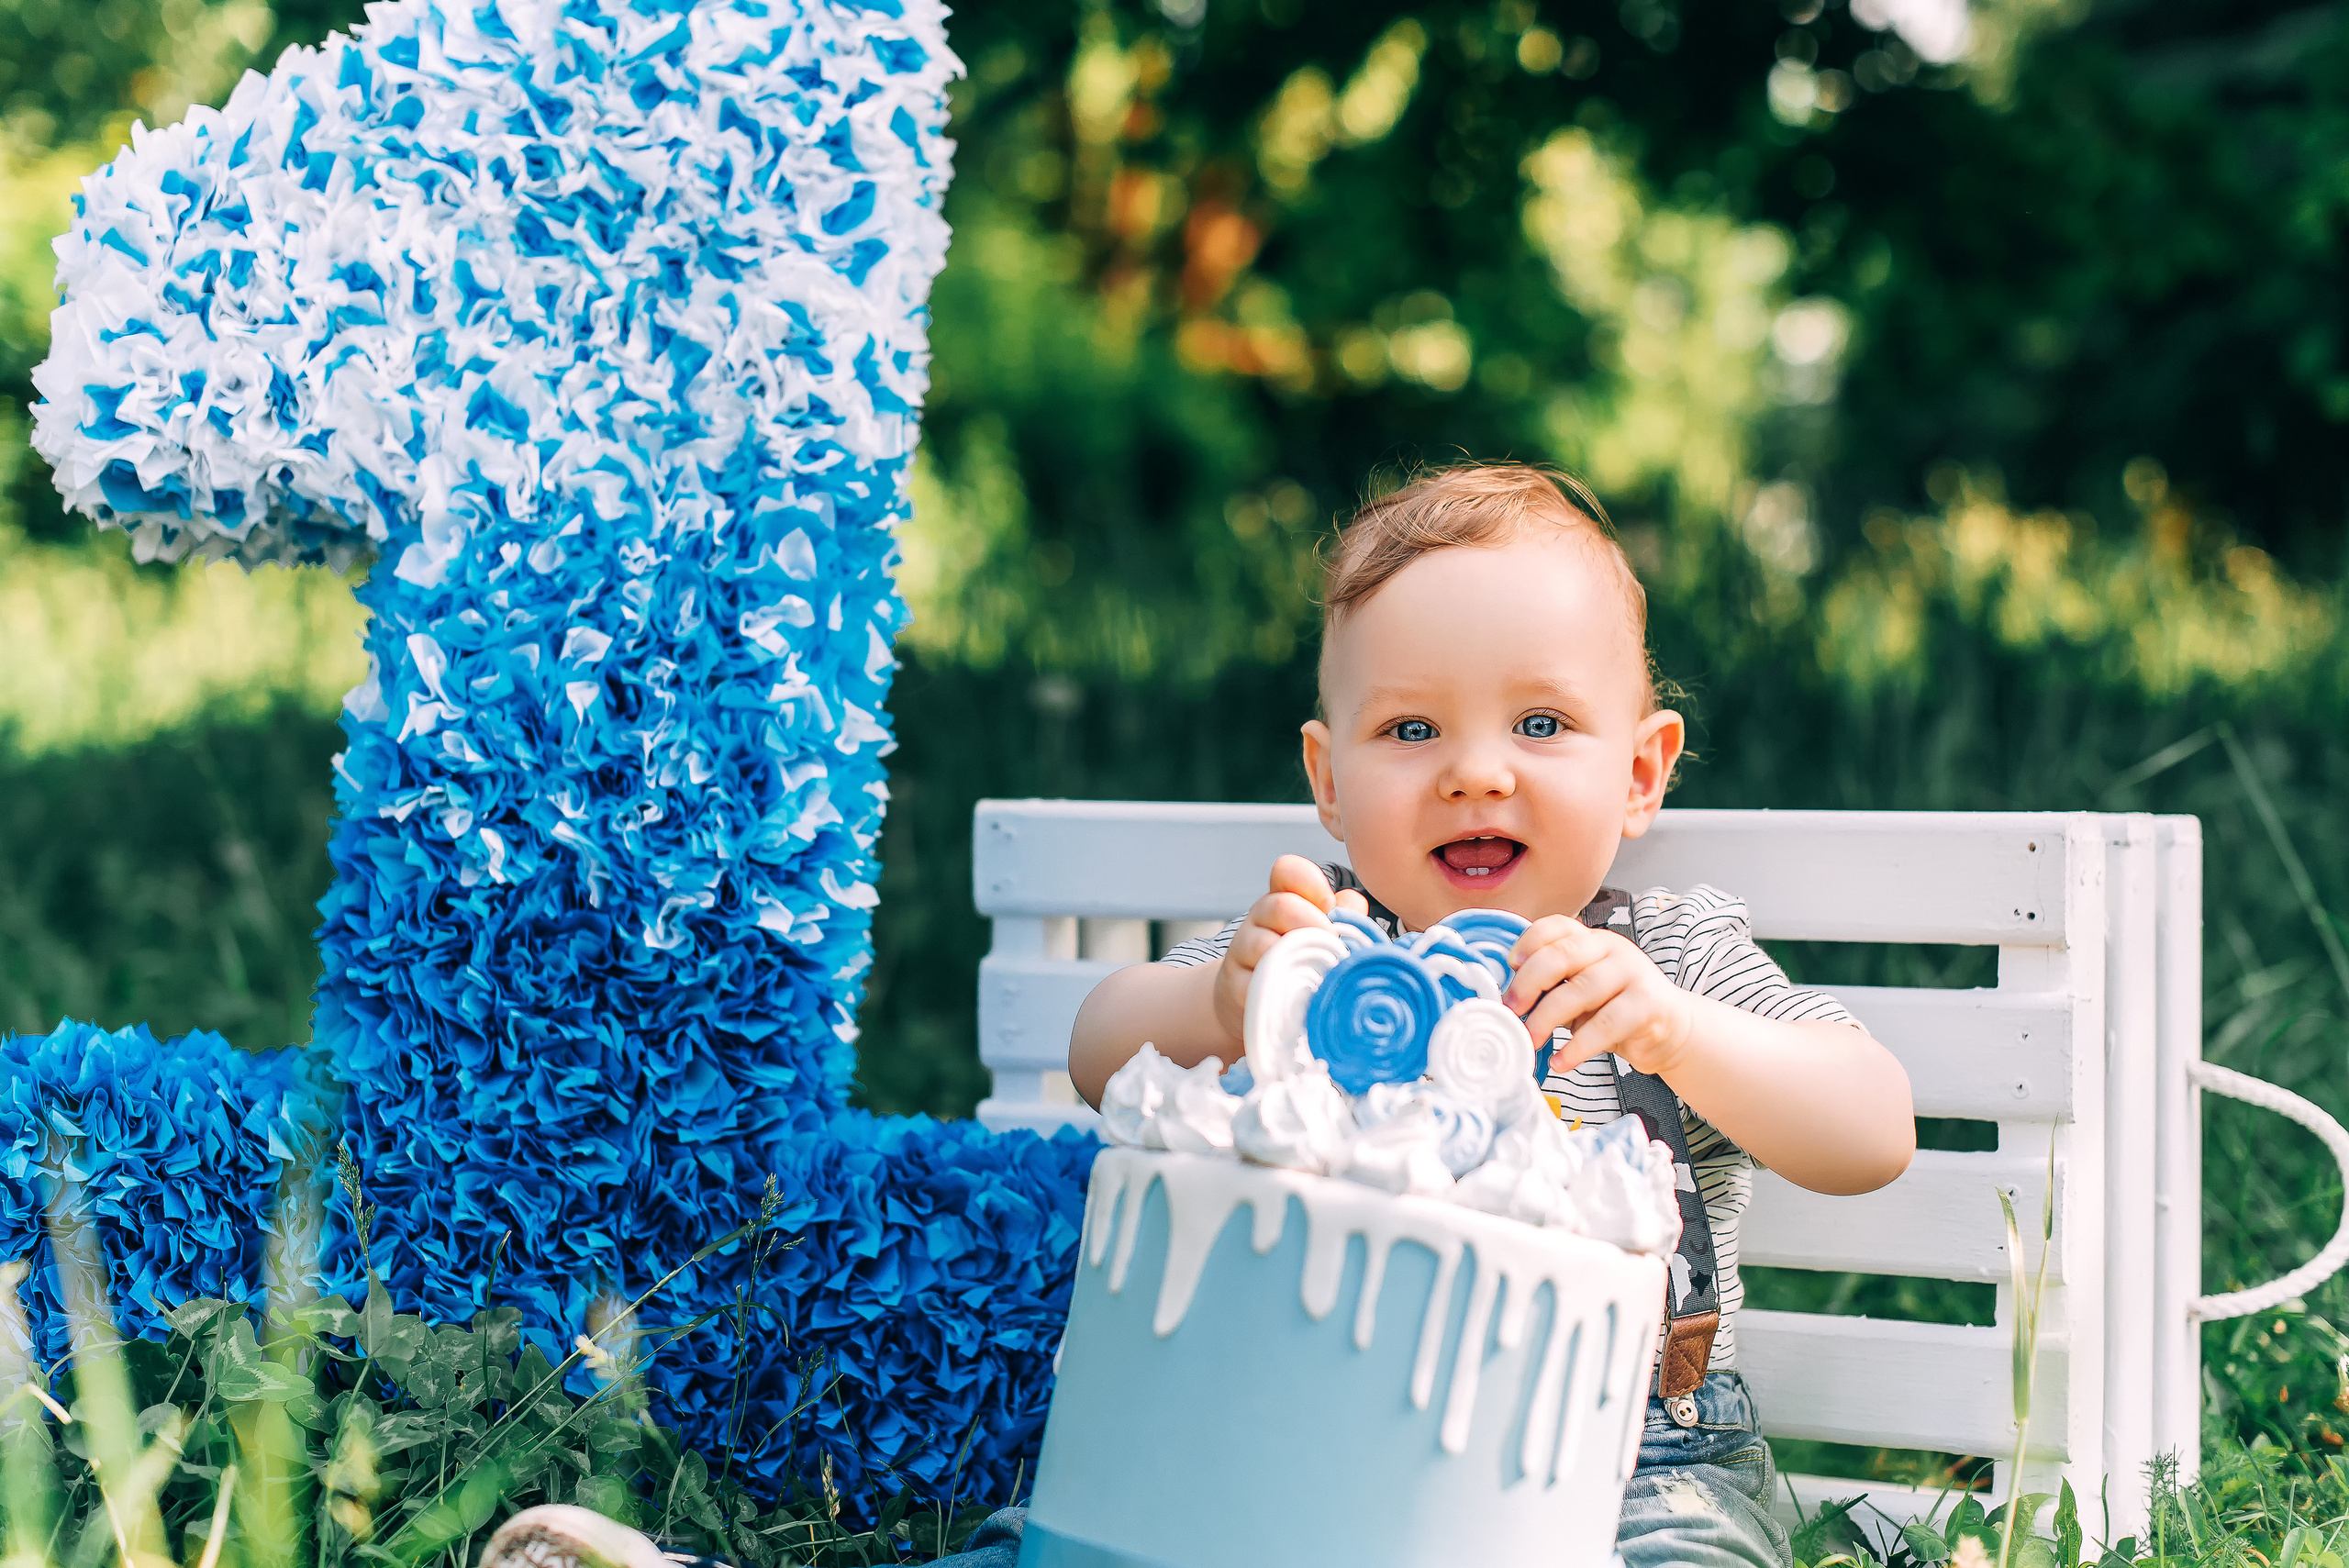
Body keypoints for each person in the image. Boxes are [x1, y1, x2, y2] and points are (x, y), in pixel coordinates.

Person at [1059, 461, 1916, 1568]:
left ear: (1642, 772)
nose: (1474, 771)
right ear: (1329, 777)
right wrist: (1223, 1002)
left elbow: (1874, 1126)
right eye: (1411, 730)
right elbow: (1095, 1050)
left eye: (1541, 722)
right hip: (1300, 1417)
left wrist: (1675, 1030)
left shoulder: (1662, 953)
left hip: (1634, 1456)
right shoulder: (1318, 948)